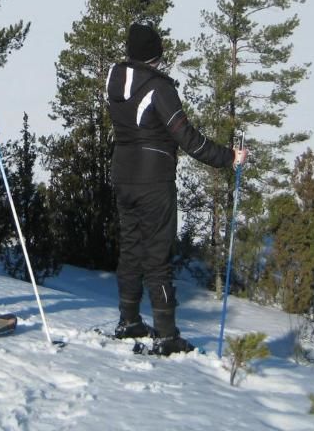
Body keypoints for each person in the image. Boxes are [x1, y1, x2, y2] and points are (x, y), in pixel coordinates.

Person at [105, 22, 249, 356]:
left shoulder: (114, 78)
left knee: (130, 249)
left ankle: (129, 321)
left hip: (123, 176)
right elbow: (188, 139)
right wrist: (229, 157)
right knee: (157, 257)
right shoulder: (159, 88)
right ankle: (167, 336)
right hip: (154, 181)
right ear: (156, 53)